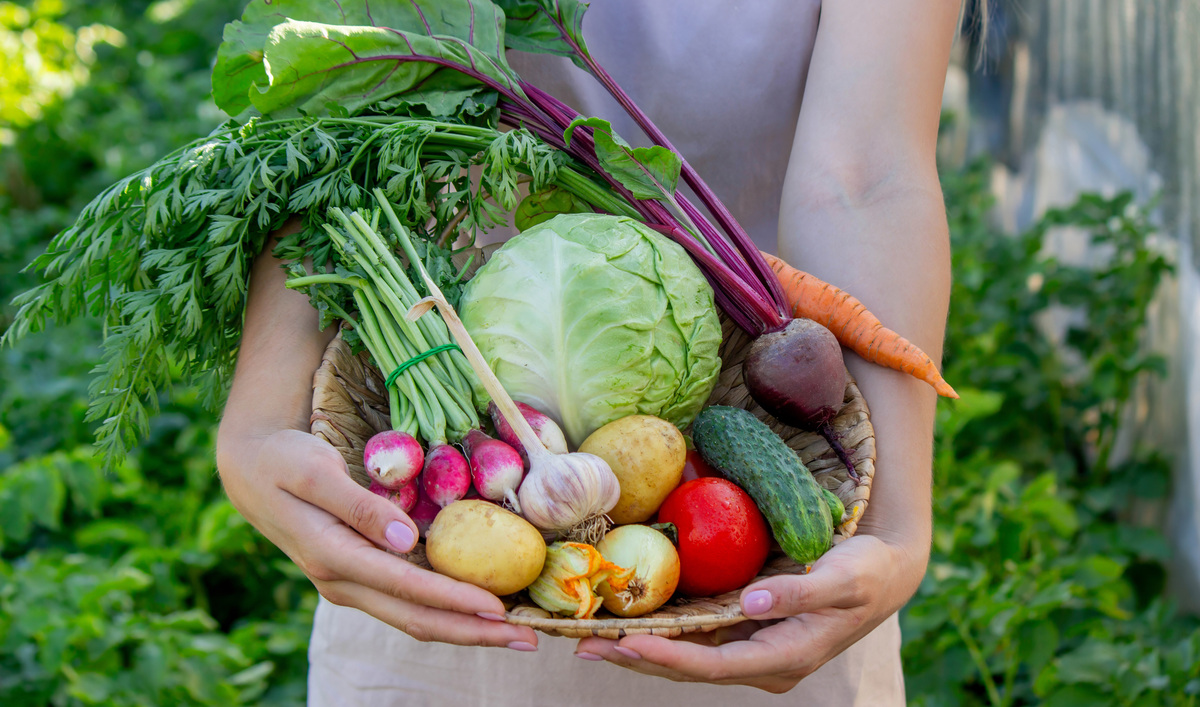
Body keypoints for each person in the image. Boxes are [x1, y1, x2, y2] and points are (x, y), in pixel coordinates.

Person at [215, 1, 958, 703]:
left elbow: (864, 179)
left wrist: (891, 527)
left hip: (777, 575)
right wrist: (257, 424)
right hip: (432, 515)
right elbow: (325, 137)